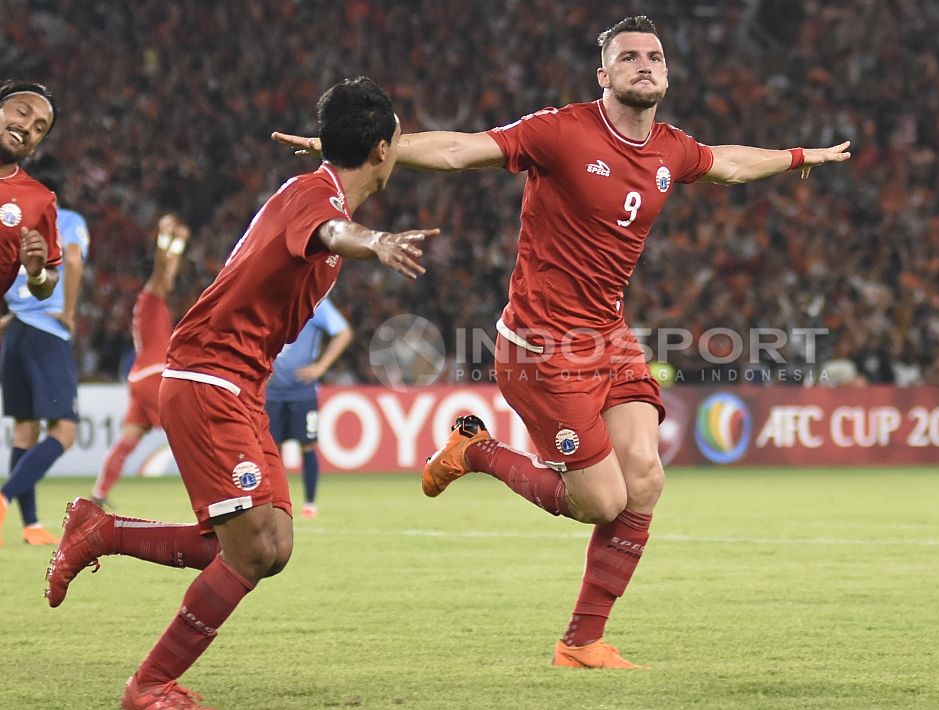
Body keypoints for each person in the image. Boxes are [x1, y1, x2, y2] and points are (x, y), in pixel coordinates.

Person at [274, 15, 851, 669]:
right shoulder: (560, 131)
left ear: (666, 73)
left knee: (645, 481)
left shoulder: (670, 147)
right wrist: (358, 148)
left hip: (607, 334)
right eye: (628, 55)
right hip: (539, 347)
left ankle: (581, 644)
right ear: (602, 75)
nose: (644, 63)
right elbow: (462, 151)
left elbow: (732, 166)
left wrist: (802, 156)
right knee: (600, 501)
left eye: (654, 55)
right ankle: (477, 451)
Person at [46, 76, 436, 709]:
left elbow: (331, 215)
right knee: (252, 547)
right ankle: (147, 687)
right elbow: (333, 234)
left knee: (271, 544)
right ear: (384, 151)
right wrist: (376, 243)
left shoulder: (318, 187)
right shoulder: (317, 199)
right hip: (208, 376)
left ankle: (103, 531)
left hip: (241, 382)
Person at [0, 82, 66, 547]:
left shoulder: (38, 200)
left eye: (39, 126)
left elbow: (46, 286)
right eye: (21, 111)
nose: (27, 125)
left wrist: (37, 273)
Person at [90, 213, 190, 509]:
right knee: (187, 432)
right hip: (155, 376)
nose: (169, 280)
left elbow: (167, 274)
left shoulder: (152, 301)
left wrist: (180, 243)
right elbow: (162, 271)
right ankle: (215, 495)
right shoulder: (151, 297)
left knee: (128, 440)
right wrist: (165, 238)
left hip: (140, 376)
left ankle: (98, 493)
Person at [265, 298, 352, 518]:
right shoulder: (268, 298)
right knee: (271, 450)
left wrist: (320, 367)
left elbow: (344, 333)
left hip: (302, 391)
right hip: (271, 392)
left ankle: (310, 503)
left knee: (308, 446)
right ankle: (276, 503)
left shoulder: (315, 302)